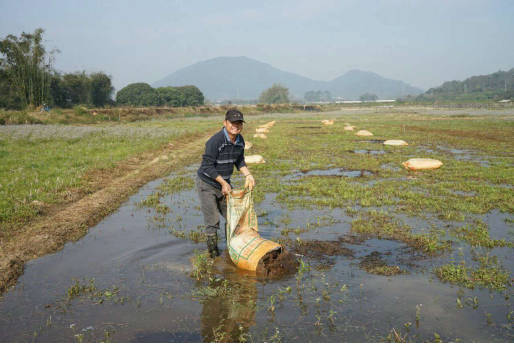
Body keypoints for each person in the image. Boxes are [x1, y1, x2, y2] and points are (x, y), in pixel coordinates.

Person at [196, 109, 256, 258]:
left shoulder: (240, 140)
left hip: (224, 184)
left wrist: (248, 175)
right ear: (225, 123)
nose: (236, 125)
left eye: (239, 122)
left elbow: (239, 160)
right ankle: (213, 256)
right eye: (232, 122)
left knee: (233, 217)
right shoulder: (215, 141)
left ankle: (232, 250)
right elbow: (207, 166)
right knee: (212, 221)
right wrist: (223, 182)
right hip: (207, 183)